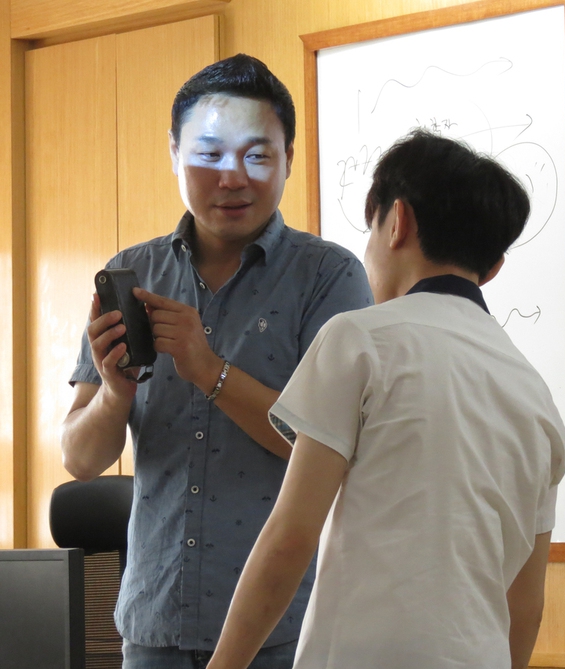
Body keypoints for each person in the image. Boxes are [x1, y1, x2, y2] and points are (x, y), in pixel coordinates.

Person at [206, 129, 565, 669]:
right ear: (492, 269)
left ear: (397, 221)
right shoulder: (537, 396)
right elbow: (526, 604)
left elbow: (291, 536)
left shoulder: (359, 339)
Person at [61, 54, 373, 668]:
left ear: (289, 158)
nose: (233, 177)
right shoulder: (136, 271)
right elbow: (79, 458)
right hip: (153, 621)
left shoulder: (329, 277)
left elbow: (329, 449)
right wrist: (115, 393)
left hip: (285, 627)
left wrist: (209, 369)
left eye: (258, 155)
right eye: (209, 154)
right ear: (174, 152)